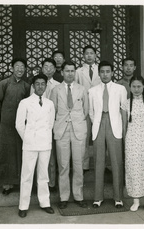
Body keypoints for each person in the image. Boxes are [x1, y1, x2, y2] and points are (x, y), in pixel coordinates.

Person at [15, 73, 55, 218]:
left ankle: (45, 203)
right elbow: (19, 124)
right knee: (27, 175)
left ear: (46, 86)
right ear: (33, 86)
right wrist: (28, 138)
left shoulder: (50, 103)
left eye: (42, 84)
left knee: (43, 175)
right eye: (37, 84)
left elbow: (50, 124)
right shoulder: (25, 103)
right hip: (30, 143)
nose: (40, 86)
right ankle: (23, 206)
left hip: (45, 143)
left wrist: (45, 137)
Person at [50, 60, 89, 209]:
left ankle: (79, 196)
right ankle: (64, 197)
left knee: (78, 165)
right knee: (63, 165)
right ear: (62, 72)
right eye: (67, 71)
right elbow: (52, 111)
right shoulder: (56, 90)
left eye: (72, 71)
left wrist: (76, 121)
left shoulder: (82, 89)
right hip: (61, 131)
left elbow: (85, 110)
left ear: (75, 72)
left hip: (78, 130)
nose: (70, 73)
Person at [88, 61, 127, 208]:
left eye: (107, 71)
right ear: (99, 73)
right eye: (102, 71)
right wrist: (98, 122)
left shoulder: (120, 89)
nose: (105, 74)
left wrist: (120, 127)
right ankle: (98, 197)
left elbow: (123, 109)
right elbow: (91, 112)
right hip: (98, 124)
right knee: (99, 161)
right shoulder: (92, 90)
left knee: (116, 161)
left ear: (112, 72)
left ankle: (118, 198)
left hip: (114, 124)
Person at [121, 75, 144, 212]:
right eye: (134, 86)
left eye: (139, 86)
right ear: (130, 87)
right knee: (133, 169)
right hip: (131, 140)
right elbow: (124, 126)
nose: (136, 89)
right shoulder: (125, 104)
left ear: (143, 87)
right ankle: (135, 200)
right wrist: (125, 143)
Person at [0, 58, 30, 195]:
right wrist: (2, 119)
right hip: (7, 123)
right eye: (17, 66)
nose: (20, 69)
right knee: (6, 153)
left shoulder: (26, 87)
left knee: (21, 151)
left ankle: (21, 182)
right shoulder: (4, 84)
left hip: (21, 124)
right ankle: (6, 185)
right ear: (12, 68)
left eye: (22, 67)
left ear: (25, 69)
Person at [30, 58, 60, 192]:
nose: (48, 69)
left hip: (52, 124)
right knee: (38, 156)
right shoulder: (34, 85)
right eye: (45, 66)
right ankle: (38, 185)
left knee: (51, 156)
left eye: (51, 67)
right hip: (37, 126)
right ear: (42, 68)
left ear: (55, 69)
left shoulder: (58, 85)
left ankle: (51, 183)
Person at [75, 45, 101, 173]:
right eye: (86, 53)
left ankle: (99, 164)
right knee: (84, 137)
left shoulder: (101, 69)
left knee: (99, 137)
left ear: (95, 55)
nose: (89, 56)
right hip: (83, 107)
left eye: (91, 53)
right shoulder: (78, 71)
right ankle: (84, 165)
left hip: (99, 107)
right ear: (83, 56)